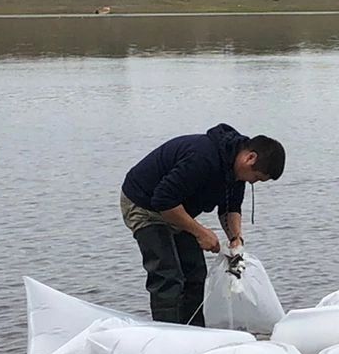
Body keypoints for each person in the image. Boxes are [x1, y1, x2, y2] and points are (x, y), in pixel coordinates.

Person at [120, 125, 285, 324]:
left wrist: (236, 239)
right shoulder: (202, 158)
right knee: (167, 275)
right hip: (144, 204)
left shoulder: (236, 172)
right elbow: (162, 201)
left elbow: (230, 208)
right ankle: (166, 333)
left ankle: (194, 331)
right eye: (256, 178)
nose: (253, 183)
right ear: (250, 158)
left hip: (176, 207)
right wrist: (201, 233)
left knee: (196, 273)